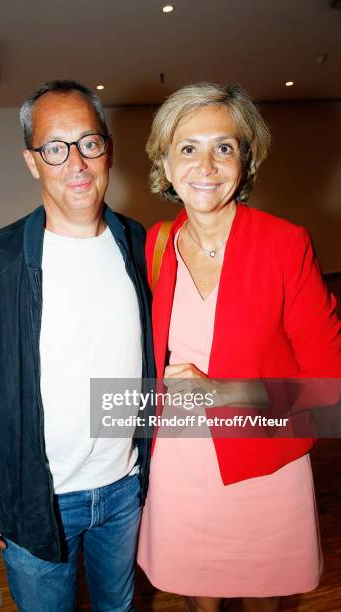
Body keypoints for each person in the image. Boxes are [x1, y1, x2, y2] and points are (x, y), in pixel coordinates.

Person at [0, 79, 155, 612]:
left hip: (125, 488)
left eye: (89, 142)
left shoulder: (140, 245)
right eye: (55, 149)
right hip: (35, 496)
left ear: (108, 149)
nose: (76, 163)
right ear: (33, 162)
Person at [137, 82, 341, 612]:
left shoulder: (284, 243)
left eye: (224, 147)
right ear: (165, 160)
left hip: (264, 460)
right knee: (197, 594)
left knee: (263, 596)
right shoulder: (155, 244)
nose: (206, 164)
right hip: (179, 458)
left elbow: (329, 380)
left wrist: (225, 393)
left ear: (244, 160)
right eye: (188, 148)